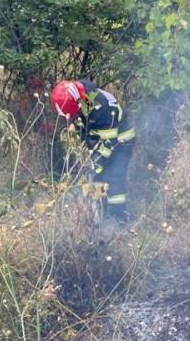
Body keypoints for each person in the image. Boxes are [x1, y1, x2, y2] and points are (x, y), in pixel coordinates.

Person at [51, 79, 135, 231]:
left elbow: (109, 143)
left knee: (114, 178)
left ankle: (119, 221)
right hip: (104, 140)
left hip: (122, 142)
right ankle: (102, 217)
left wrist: (96, 164)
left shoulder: (100, 106)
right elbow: (88, 129)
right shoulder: (82, 96)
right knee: (99, 179)